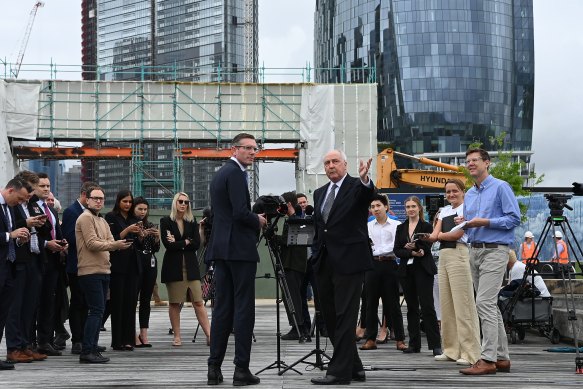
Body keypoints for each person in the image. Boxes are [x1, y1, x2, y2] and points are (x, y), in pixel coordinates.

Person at [310, 149, 375, 385]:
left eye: (335, 161)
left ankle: (338, 372)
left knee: (346, 316)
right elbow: (320, 228)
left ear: (345, 164)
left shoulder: (356, 187)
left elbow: (368, 194)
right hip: (325, 262)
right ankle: (355, 367)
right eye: (326, 162)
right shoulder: (319, 193)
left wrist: (365, 178)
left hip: (350, 261)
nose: (330, 166)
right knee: (330, 317)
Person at [206, 133, 267, 386]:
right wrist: (259, 220)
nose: (253, 152)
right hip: (239, 250)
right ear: (235, 149)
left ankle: (214, 369)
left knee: (222, 309)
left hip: (221, 249)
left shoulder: (220, 174)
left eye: (255, 149)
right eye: (249, 148)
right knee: (244, 309)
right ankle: (241, 369)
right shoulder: (236, 173)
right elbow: (241, 212)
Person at [457, 148, 520, 375]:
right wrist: (463, 222)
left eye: (475, 160)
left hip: (496, 250)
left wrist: (485, 222)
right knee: (488, 305)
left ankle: (487, 359)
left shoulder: (501, 187)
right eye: (468, 161)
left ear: (487, 163)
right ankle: (502, 358)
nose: (470, 164)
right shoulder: (470, 194)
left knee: (483, 303)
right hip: (474, 250)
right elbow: (472, 223)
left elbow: (514, 219)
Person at [426, 179, 481, 366]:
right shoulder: (444, 211)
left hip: (459, 252)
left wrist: (437, 236)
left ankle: (470, 352)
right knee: (446, 304)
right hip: (444, 255)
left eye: (454, 191)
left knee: (463, 303)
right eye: (448, 192)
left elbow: (456, 235)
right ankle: (451, 349)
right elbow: (434, 235)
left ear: (463, 191)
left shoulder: (468, 209)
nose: (451, 195)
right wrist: (427, 237)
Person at [76, 186, 131, 363]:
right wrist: (112, 245)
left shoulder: (101, 220)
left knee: (98, 311)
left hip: (104, 269)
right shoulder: (85, 218)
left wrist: (110, 244)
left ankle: (92, 347)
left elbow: (110, 240)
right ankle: (87, 350)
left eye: (101, 198)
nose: (99, 201)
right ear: (87, 199)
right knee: (96, 310)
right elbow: (93, 243)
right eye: (95, 198)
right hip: (90, 270)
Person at [5, 171, 49, 364]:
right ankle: (13, 347)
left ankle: (24, 345)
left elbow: (43, 230)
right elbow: (10, 227)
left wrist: (37, 221)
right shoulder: (11, 205)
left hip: (32, 257)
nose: (29, 195)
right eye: (28, 191)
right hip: (18, 260)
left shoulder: (29, 205)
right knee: (16, 307)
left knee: (28, 307)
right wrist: (26, 223)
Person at [161, 192, 210, 347]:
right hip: (173, 268)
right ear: (175, 203)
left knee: (198, 302)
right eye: (180, 201)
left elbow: (196, 244)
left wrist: (181, 242)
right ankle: (177, 336)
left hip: (191, 267)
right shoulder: (166, 221)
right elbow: (168, 245)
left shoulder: (192, 221)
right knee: (175, 303)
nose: (183, 204)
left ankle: (210, 335)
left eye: (186, 202)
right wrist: (187, 241)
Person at [394, 196, 442, 356]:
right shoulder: (401, 228)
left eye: (413, 206)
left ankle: (435, 344)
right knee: (411, 308)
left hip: (423, 269)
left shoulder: (427, 226)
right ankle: (414, 344)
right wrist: (409, 251)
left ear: (419, 208)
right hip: (406, 270)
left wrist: (419, 249)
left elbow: (428, 245)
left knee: (428, 306)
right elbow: (396, 250)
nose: (410, 209)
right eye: (408, 207)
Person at [360, 193, 406, 352]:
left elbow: (397, 247)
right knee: (370, 303)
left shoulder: (396, 225)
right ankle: (370, 339)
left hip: (389, 264)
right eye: (372, 207)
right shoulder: (367, 226)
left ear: (386, 207)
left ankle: (400, 339)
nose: (375, 209)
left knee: (393, 304)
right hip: (372, 265)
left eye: (378, 206)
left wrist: (378, 250)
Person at [0, 177, 34, 369]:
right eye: (20, 199)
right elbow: (6, 234)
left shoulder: (9, 208)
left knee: (3, 315)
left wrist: (18, 238)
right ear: (11, 190)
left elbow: (10, 234)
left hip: (9, 268)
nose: (21, 203)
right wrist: (9, 235)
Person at [34, 173, 68, 357]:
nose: (46, 189)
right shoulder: (30, 208)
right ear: (33, 187)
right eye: (42, 186)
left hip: (54, 261)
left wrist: (63, 243)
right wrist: (48, 244)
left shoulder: (52, 210)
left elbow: (58, 231)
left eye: (48, 186)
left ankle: (45, 341)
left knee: (50, 301)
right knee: (35, 302)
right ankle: (32, 341)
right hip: (39, 259)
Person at [62, 181, 98, 354]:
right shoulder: (72, 212)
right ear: (85, 196)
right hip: (76, 264)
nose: (97, 202)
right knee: (78, 302)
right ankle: (77, 339)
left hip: (91, 265)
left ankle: (87, 339)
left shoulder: (94, 214)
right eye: (94, 198)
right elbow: (69, 237)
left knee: (88, 303)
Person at [105, 190, 141, 351]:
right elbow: (111, 239)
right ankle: (117, 340)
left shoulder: (135, 219)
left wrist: (141, 234)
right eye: (124, 201)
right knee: (117, 303)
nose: (127, 204)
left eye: (129, 202)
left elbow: (138, 243)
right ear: (118, 201)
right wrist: (127, 230)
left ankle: (129, 339)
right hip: (118, 264)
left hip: (132, 263)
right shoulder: (111, 217)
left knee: (130, 303)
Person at [278, 191, 309, 341]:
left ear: (288, 204)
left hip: (293, 265)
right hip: (294, 265)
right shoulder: (295, 219)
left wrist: (274, 237)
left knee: (292, 296)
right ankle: (299, 327)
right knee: (294, 296)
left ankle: (298, 327)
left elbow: (289, 241)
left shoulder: (295, 220)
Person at [132, 197, 160, 347]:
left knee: (146, 300)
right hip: (135, 264)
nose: (143, 212)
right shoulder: (131, 225)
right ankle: (132, 333)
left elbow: (156, 249)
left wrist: (156, 238)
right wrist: (140, 236)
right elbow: (131, 245)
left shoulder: (150, 224)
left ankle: (144, 333)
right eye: (140, 209)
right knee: (132, 300)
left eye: (145, 209)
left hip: (150, 263)